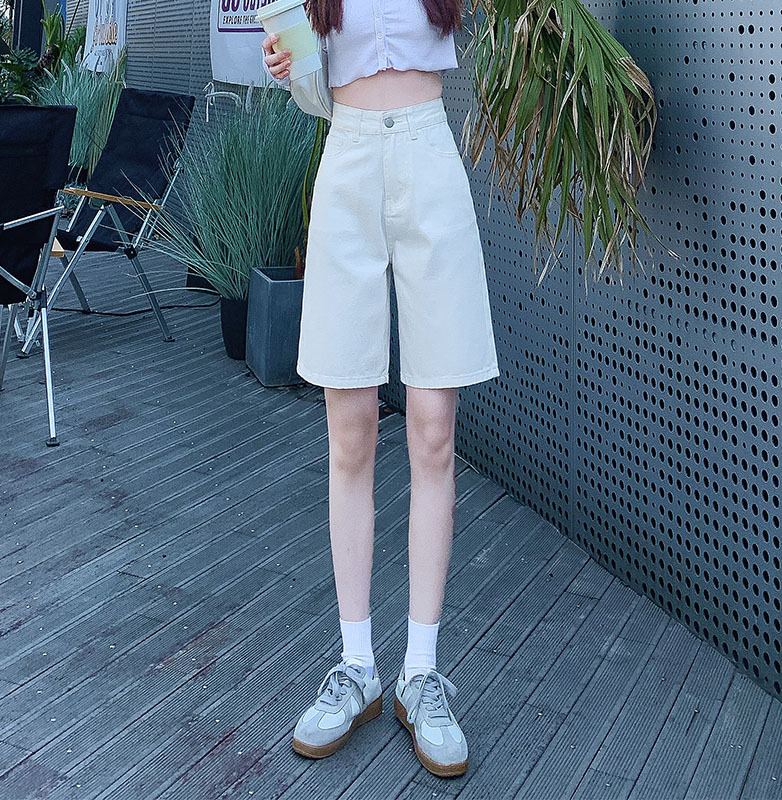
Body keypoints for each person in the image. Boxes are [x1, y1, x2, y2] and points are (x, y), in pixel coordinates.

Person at [261, 0, 499, 779]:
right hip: (349, 157)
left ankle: (421, 673)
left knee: (432, 428)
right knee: (351, 428)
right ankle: (357, 665)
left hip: (429, 151)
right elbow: (312, 86)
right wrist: (288, 66)